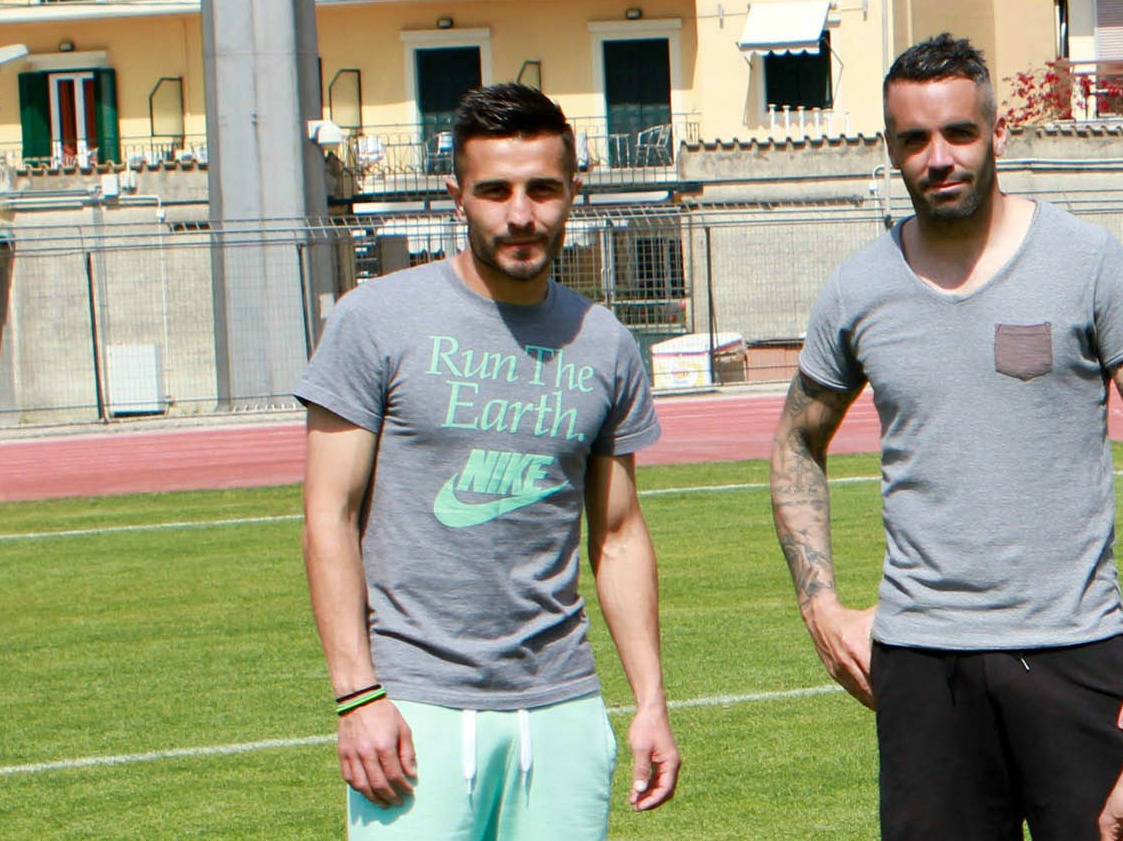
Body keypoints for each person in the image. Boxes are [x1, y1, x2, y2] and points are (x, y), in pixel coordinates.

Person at [296, 82, 679, 841]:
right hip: (415, 706)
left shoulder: (605, 342)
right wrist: (357, 695)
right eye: (495, 190)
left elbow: (618, 533)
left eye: (542, 189)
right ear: (458, 197)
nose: (520, 214)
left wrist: (650, 701)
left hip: (563, 705)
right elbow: (328, 516)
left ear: (572, 192)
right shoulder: (375, 320)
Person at [770, 33, 1123, 841]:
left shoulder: (1088, 262)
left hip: (1076, 650)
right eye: (914, 139)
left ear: (997, 132)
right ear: (891, 148)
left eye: (958, 132)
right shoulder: (858, 288)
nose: (938, 158)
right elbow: (795, 443)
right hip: (922, 664)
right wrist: (820, 605)